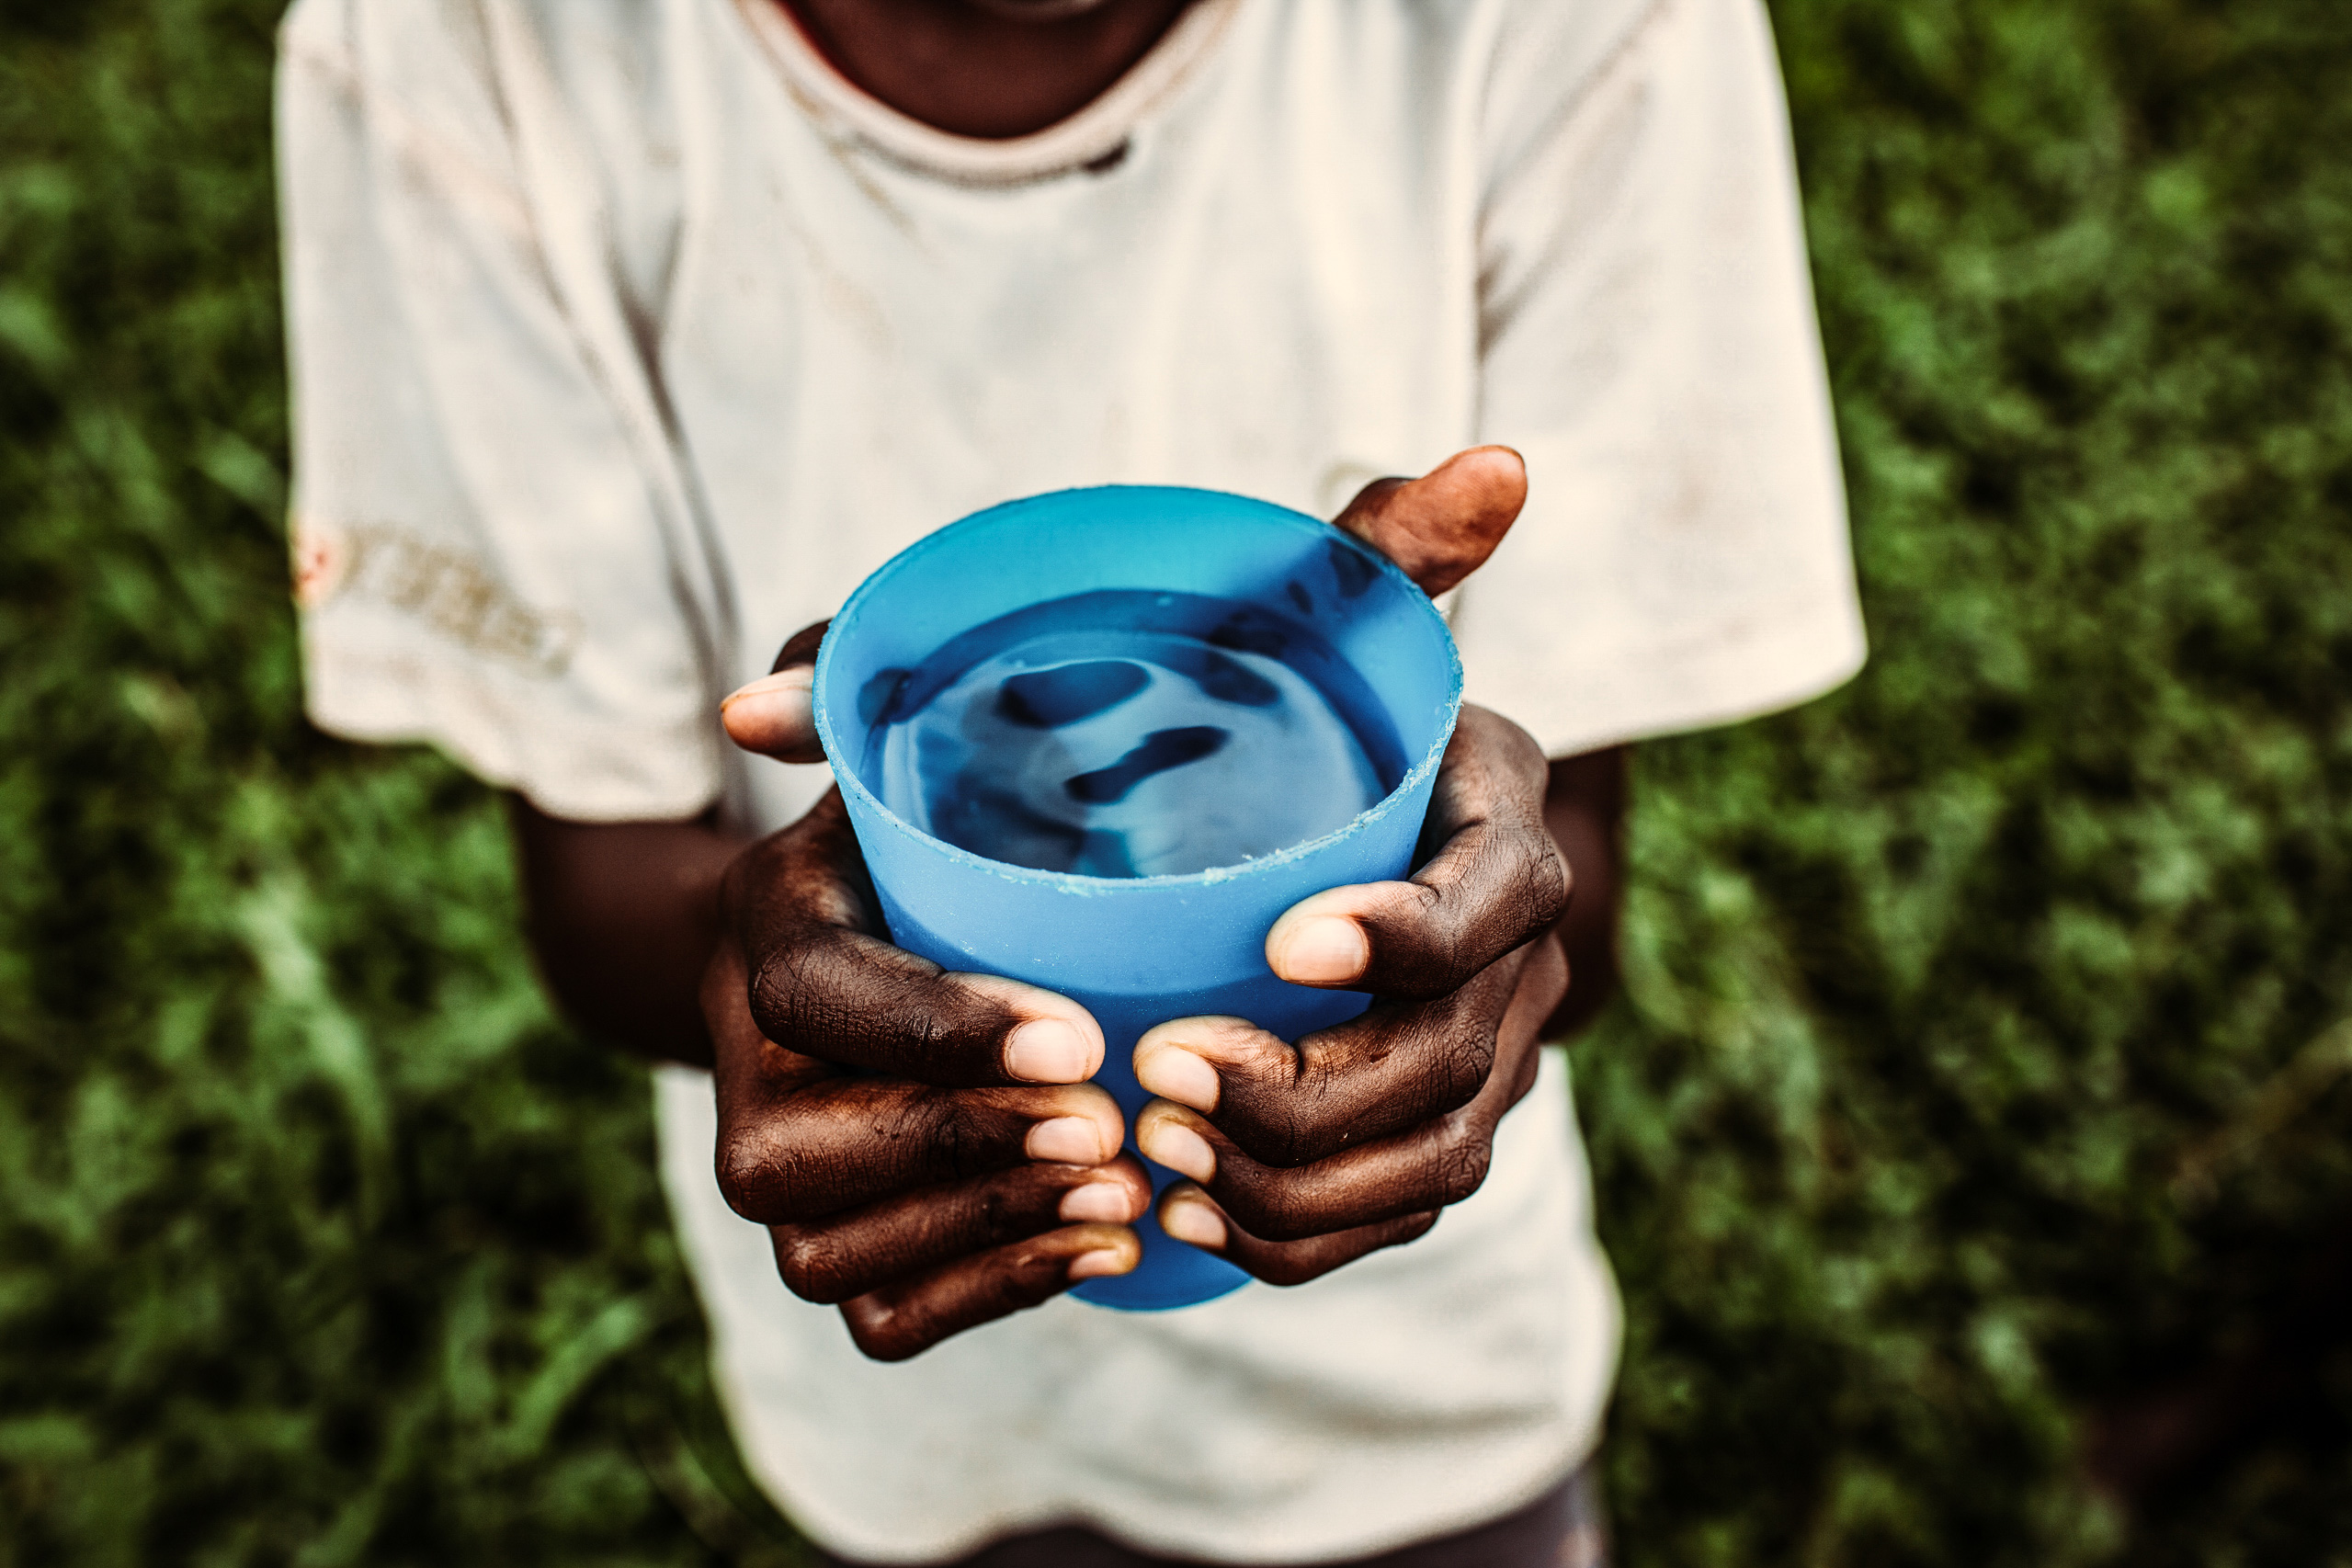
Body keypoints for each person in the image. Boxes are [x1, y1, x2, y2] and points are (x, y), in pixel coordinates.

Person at [275, 0, 1866, 1562]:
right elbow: (598, 890)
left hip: (1415, 1393)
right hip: (899, 1409)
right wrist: (744, 957)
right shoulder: (459, 44)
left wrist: (1482, 952)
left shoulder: (1590, 27)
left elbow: (1556, 853)